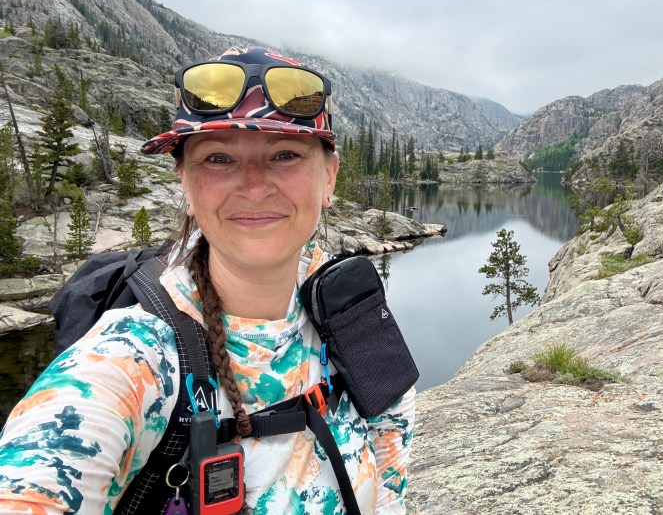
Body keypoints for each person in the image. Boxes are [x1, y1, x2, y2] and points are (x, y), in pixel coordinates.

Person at [0, 46, 415, 514]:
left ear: (329, 177)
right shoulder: (133, 356)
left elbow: (390, 464)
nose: (254, 185)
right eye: (218, 159)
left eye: (284, 154)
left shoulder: (350, 311)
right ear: (185, 183)